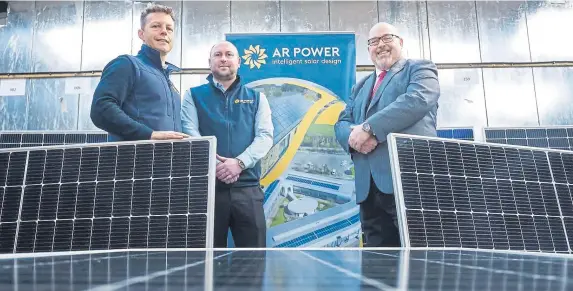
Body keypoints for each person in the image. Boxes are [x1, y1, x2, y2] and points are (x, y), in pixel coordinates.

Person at [334, 22, 440, 247]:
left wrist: (368, 128)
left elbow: (416, 101)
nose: (380, 45)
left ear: (400, 42)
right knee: (377, 265)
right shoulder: (360, 87)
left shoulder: (420, 69)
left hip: (410, 182)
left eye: (387, 38)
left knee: (420, 259)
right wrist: (354, 141)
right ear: (369, 50)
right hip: (369, 189)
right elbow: (342, 123)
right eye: (373, 42)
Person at [181, 41, 273, 248]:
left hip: (248, 190)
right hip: (207, 192)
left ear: (238, 62)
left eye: (229, 54)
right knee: (206, 262)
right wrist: (216, 165)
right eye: (218, 54)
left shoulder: (257, 98)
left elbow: (265, 136)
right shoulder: (193, 96)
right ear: (210, 62)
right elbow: (190, 133)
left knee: (253, 261)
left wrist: (239, 163)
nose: (223, 58)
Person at [91, 3, 187, 142]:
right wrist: (149, 134)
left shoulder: (171, 85)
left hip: (166, 162)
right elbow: (101, 109)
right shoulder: (127, 64)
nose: (164, 31)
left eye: (169, 28)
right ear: (141, 34)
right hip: (134, 160)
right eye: (156, 26)